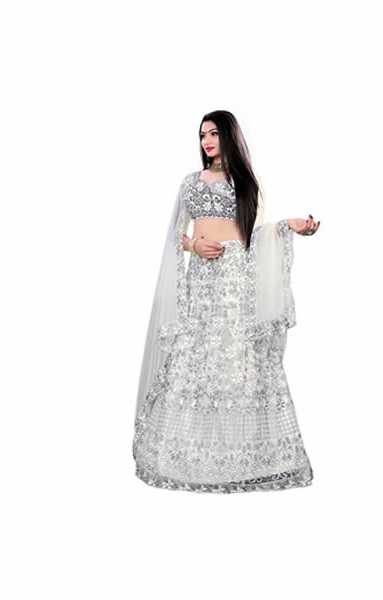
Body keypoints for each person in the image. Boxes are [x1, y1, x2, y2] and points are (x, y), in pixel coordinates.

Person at [132, 110, 320, 493]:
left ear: (230, 136)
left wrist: (289, 226)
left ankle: (243, 459)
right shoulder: (190, 182)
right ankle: (189, 457)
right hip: (201, 281)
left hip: (237, 280)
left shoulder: (247, 182)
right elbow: (174, 234)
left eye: (214, 133)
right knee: (195, 358)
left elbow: (255, 237)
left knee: (236, 361)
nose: (207, 141)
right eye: (203, 134)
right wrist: (193, 245)